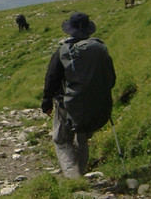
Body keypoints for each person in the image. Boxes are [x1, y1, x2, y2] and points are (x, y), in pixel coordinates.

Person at [42, 11, 116, 178]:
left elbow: (51, 78)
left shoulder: (62, 51)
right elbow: (111, 79)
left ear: (70, 30)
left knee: (61, 140)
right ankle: (80, 172)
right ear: (89, 31)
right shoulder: (100, 49)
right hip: (93, 103)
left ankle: (73, 178)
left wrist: (46, 102)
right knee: (82, 139)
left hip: (66, 104)